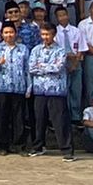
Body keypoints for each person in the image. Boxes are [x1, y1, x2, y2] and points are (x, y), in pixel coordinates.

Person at [27, 24, 75, 160]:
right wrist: (47, 67)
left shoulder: (60, 50)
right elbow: (31, 68)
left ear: (53, 35)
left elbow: (58, 67)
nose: (45, 37)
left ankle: (67, 150)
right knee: (39, 120)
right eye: (43, 34)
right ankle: (38, 146)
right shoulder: (36, 50)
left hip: (56, 90)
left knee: (60, 120)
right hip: (40, 90)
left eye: (47, 34)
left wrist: (41, 66)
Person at [0, 24, 31, 154]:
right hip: (2, 88)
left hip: (19, 88)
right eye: (6, 32)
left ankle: (19, 144)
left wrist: (28, 87)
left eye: (11, 32)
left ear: (15, 33)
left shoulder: (23, 49)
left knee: (18, 118)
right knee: (3, 117)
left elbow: (27, 69)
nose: (9, 35)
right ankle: (3, 145)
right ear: (2, 34)